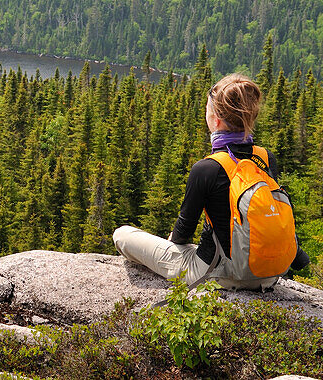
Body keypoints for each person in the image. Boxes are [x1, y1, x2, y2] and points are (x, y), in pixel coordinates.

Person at [113, 73, 309, 289]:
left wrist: (172, 242)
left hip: (220, 275)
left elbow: (183, 233)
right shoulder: (264, 158)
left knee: (122, 235)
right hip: (269, 276)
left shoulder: (206, 169)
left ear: (215, 120)